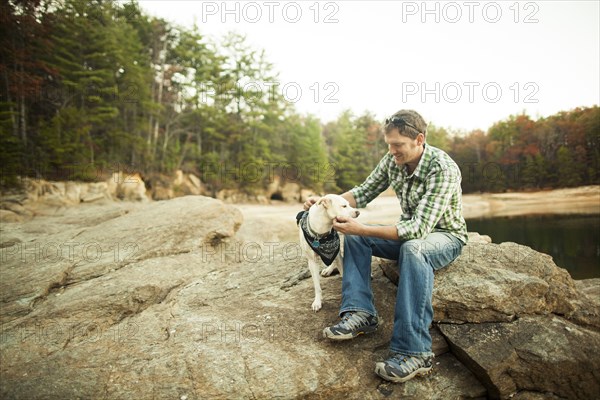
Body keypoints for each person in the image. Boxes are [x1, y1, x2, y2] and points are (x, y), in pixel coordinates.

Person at [303, 109, 467, 383]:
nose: (392, 151)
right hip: (411, 235)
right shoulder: (394, 160)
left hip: (445, 237)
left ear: (419, 139)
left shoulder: (443, 168)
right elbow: (364, 192)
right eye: (389, 145)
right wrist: (327, 202)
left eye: (397, 145)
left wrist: (362, 227)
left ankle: (415, 352)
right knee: (355, 234)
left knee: (412, 248)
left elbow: (417, 230)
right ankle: (360, 313)